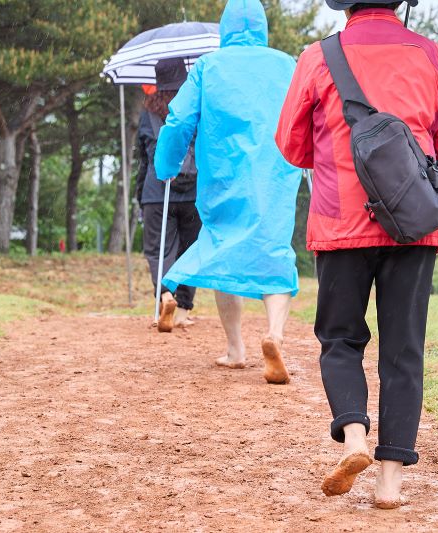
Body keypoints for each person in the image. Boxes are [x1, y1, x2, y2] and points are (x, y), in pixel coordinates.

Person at [276, 0, 438, 509]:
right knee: (404, 350)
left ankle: (355, 437)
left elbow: (291, 146)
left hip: (341, 223)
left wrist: (336, 150)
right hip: (412, 225)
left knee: (340, 339)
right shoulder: (430, 55)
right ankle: (389, 484)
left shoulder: (317, 58)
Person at [154, 0, 302, 383]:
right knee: (274, 251)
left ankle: (235, 349)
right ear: (263, 27)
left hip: (223, 172)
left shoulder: (209, 66)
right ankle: (274, 334)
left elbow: (179, 119)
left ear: (225, 28)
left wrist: (166, 164)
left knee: (223, 249)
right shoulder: (286, 64)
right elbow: (309, 115)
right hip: (276, 173)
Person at [135, 59, 202, 332]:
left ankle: (165, 295)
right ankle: (183, 310)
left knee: (157, 251)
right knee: (190, 250)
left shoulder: (148, 114)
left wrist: (140, 195)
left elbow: (142, 159)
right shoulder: (194, 108)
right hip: (194, 191)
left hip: (156, 190)